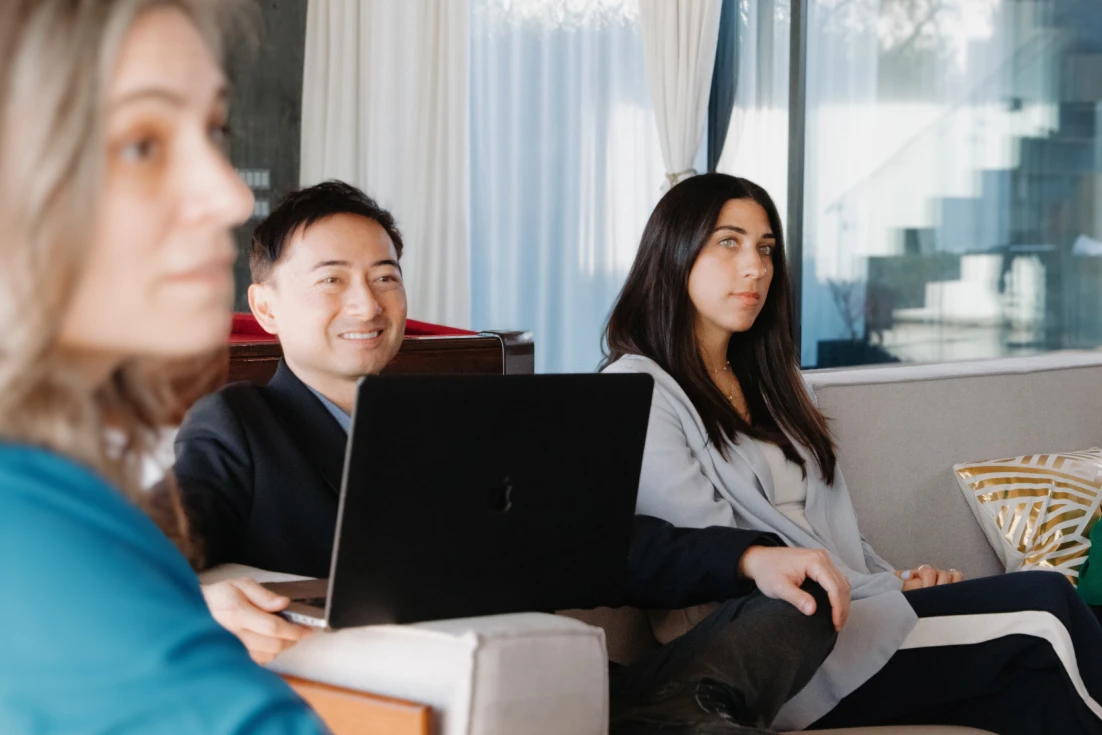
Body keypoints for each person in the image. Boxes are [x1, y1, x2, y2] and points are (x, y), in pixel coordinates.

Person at [174, 181, 849, 733]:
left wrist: (749, 556)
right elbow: (163, 531)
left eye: (385, 276)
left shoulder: (455, 417)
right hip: (400, 697)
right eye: (332, 280)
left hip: (554, 686)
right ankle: (684, 718)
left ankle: (677, 714)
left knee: (800, 601)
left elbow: (592, 542)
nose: (366, 302)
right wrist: (200, 594)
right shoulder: (240, 424)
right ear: (264, 307)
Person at [601, 172, 1102, 735]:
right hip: (774, 650)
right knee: (1045, 600)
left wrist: (898, 578)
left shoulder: (777, 384)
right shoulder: (640, 388)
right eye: (729, 242)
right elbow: (713, 551)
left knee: (1035, 693)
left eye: (766, 248)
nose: (756, 267)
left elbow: (837, 535)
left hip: (859, 610)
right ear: (673, 252)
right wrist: (880, 590)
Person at [0, 1, 327, 732]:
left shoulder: (79, 512)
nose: (231, 194)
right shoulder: (29, 532)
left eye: (213, 131)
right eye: (143, 143)